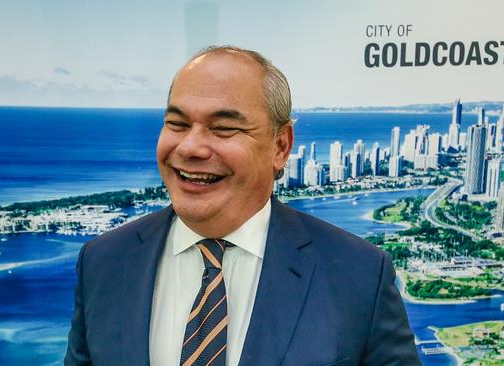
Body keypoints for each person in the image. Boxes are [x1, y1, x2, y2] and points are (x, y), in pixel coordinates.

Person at [65, 45, 421, 366]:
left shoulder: (358, 274)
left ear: (280, 147)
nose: (190, 147)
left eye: (222, 129)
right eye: (177, 123)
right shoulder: (103, 262)